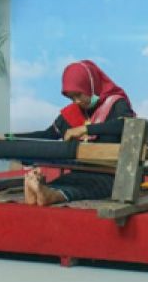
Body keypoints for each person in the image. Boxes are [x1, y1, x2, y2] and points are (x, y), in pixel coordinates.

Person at [16, 60, 135, 205]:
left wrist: (86, 129)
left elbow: (128, 126)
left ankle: (49, 195)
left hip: (111, 173)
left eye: (79, 94)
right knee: (68, 181)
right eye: (71, 97)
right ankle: (40, 192)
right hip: (81, 171)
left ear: (91, 86)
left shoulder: (116, 104)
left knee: (96, 186)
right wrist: (10, 138)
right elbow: (48, 135)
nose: (76, 101)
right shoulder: (72, 113)